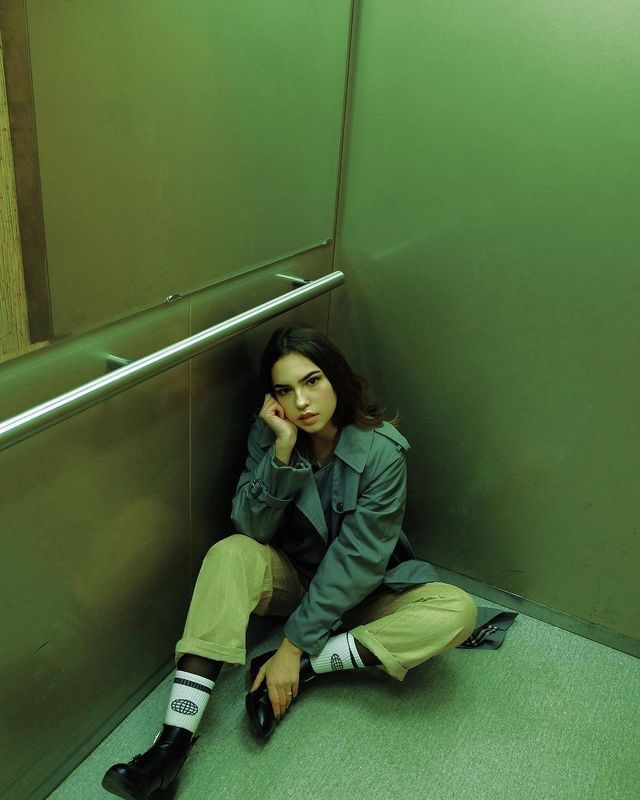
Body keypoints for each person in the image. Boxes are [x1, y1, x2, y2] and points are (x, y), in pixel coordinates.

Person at [101, 324, 478, 799]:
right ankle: (173, 743)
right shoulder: (273, 431)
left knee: (457, 611)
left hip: (368, 591)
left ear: (336, 379)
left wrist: (291, 651)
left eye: (312, 381)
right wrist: (280, 453)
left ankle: (307, 670)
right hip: (295, 579)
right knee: (230, 552)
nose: (301, 403)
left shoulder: (383, 452)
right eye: (285, 390)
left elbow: (358, 562)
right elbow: (251, 528)